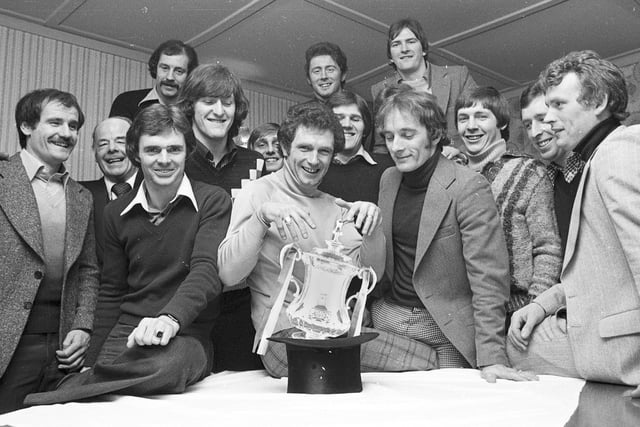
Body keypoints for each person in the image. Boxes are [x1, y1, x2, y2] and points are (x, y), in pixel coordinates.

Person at [24, 103, 232, 406]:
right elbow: (112, 290)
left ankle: (55, 394)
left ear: (188, 151)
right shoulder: (115, 212)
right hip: (127, 331)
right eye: (153, 150)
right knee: (95, 383)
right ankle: (74, 387)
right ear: (136, 153)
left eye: (174, 149)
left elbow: (206, 270)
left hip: (185, 334)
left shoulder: (212, 200)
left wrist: (170, 319)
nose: (164, 160)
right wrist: (91, 359)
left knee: (168, 367)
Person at [218, 101, 440, 378]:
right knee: (428, 359)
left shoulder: (336, 208)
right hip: (282, 341)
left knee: (428, 356)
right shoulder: (258, 193)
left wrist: (373, 228)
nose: (314, 160)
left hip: (333, 331)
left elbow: (370, 275)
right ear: (286, 148)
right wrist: (262, 218)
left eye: (323, 151)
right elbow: (228, 274)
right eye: (305, 148)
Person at [373, 87, 534, 382]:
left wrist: (491, 356)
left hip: (443, 328)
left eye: (408, 135)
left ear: (434, 135)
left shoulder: (468, 186)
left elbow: (488, 276)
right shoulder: (389, 179)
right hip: (389, 318)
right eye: (389, 136)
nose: (396, 146)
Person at [507, 51, 640, 392]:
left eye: (558, 105)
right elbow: (600, 268)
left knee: (514, 348)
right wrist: (543, 305)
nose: (547, 119)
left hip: (621, 344)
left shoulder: (617, 150)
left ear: (598, 102)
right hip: (610, 328)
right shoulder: (601, 156)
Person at [0, 89, 99, 413]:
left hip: (62, 347)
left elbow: (88, 269)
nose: (67, 133)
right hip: (9, 343)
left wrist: (82, 327)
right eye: (55, 122)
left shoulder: (82, 196)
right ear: (27, 126)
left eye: (73, 126)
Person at [181, 63, 265, 371]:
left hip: (240, 303)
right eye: (208, 101)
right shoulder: (173, 159)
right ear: (191, 106)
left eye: (227, 102)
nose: (219, 110)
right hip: (185, 299)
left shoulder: (255, 163)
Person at [455, 86, 562, 318]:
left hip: (516, 310)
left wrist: (535, 307)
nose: (471, 126)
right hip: (465, 313)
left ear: (502, 123)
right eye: (463, 118)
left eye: (481, 116)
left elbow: (548, 248)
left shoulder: (529, 171)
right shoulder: (452, 177)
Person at [371, 18, 476, 153]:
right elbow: (381, 146)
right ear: (390, 56)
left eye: (411, 41)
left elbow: (479, 121)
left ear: (424, 49)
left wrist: (459, 152)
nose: (404, 49)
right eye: (396, 44)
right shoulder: (380, 90)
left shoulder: (457, 76)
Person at [520, 82, 584, 251]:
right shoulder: (542, 181)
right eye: (528, 125)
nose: (534, 133)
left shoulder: (593, 166)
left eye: (542, 119)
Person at [80, 117, 142, 267]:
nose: (112, 148)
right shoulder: (79, 195)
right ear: (95, 153)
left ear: (137, 147)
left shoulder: (160, 192)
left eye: (121, 141)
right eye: (103, 144)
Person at [318, 90, 394, 203]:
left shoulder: (388, 167)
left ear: (365, 128)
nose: (347, 125)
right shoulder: (314, 167)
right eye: (338, 118)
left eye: (355, 119)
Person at [109, 40, 198, 120]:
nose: (170, 77)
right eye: (165, 68)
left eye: (179, 71)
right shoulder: (126, 102)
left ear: (189, 75)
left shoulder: (196, 113)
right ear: (155, 68)